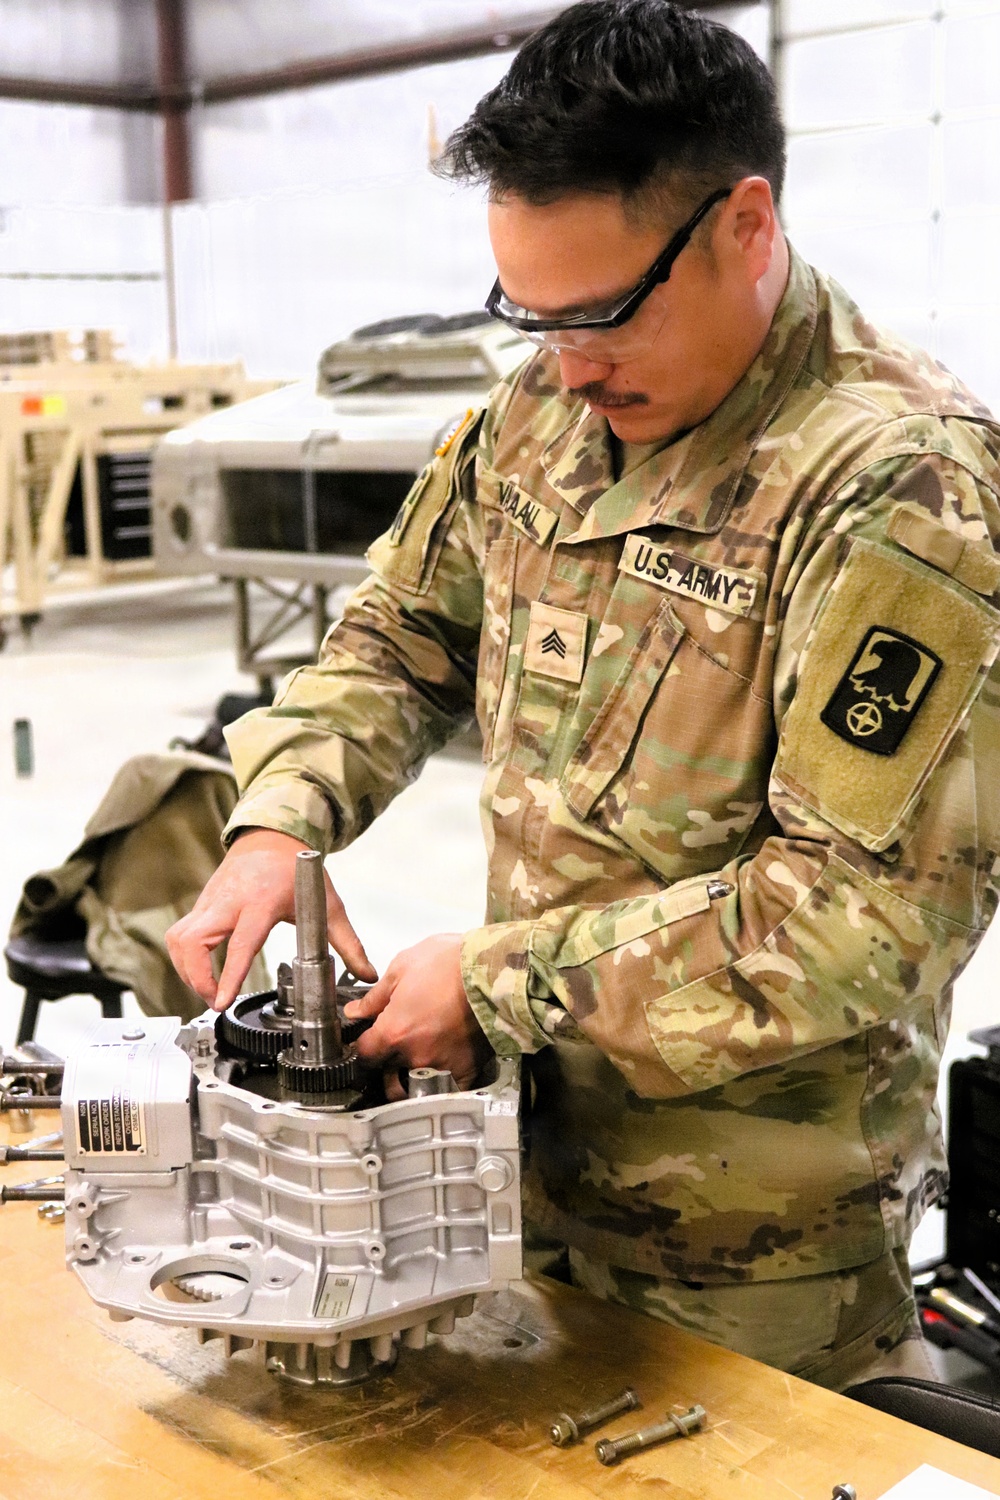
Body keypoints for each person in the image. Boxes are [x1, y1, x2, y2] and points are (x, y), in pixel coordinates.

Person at [166, 0, 1000, 1389]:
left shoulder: (901, 489)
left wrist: (494, 982)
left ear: (745, 226)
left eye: (602, 312)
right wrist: (281, 818)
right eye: (528, 314)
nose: (565, 364)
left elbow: (865, 920)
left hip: (752, 1258)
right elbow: (395, 635)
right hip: (512, 1171)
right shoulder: (547, 409)